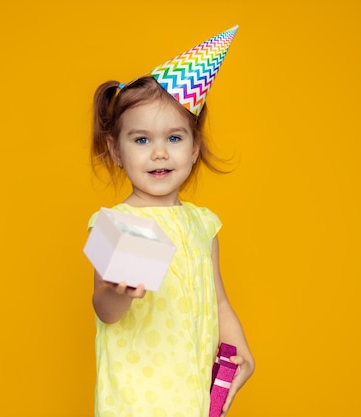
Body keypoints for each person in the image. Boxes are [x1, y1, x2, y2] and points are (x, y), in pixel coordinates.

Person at [87, 25, 254, 417]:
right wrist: (118, 292)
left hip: (191, 395)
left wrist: (239, 344)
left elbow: (219, 300)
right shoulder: (112, 223)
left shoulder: (203, 223)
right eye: (142, 140)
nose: (159, 153)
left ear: (195, 147)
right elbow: (102, 308)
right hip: (135, 402)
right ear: (116, 150)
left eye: (174, 139)